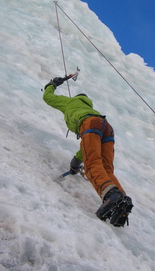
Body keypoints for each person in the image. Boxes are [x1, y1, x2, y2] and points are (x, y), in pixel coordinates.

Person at [43, 77, 133, 226]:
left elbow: (47, 97)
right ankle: (121, 202)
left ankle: (112, 195)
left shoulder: (70, 102)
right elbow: (89, 145)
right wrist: (76, 161)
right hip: (106, 127)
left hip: (89, 123)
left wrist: (51, 84)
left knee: (91, 165)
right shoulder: (92, 109)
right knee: (106, 168)